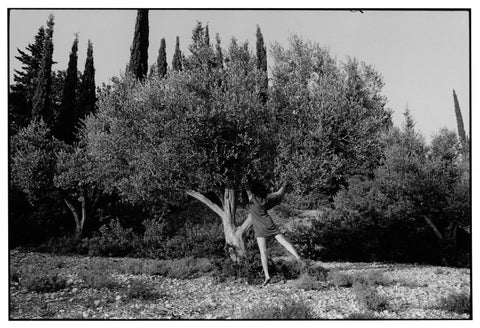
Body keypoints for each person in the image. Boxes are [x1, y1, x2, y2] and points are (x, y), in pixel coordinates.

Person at [245, 180, 304, 286]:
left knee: (263, 252)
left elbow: (247, 188)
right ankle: (297, 257)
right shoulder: (265, 199)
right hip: (268, 223)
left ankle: (267, 276)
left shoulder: (251, 199)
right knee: (284, 242)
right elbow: (278, 193)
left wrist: (245, 180)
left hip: (259, 228)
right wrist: (284, 185)